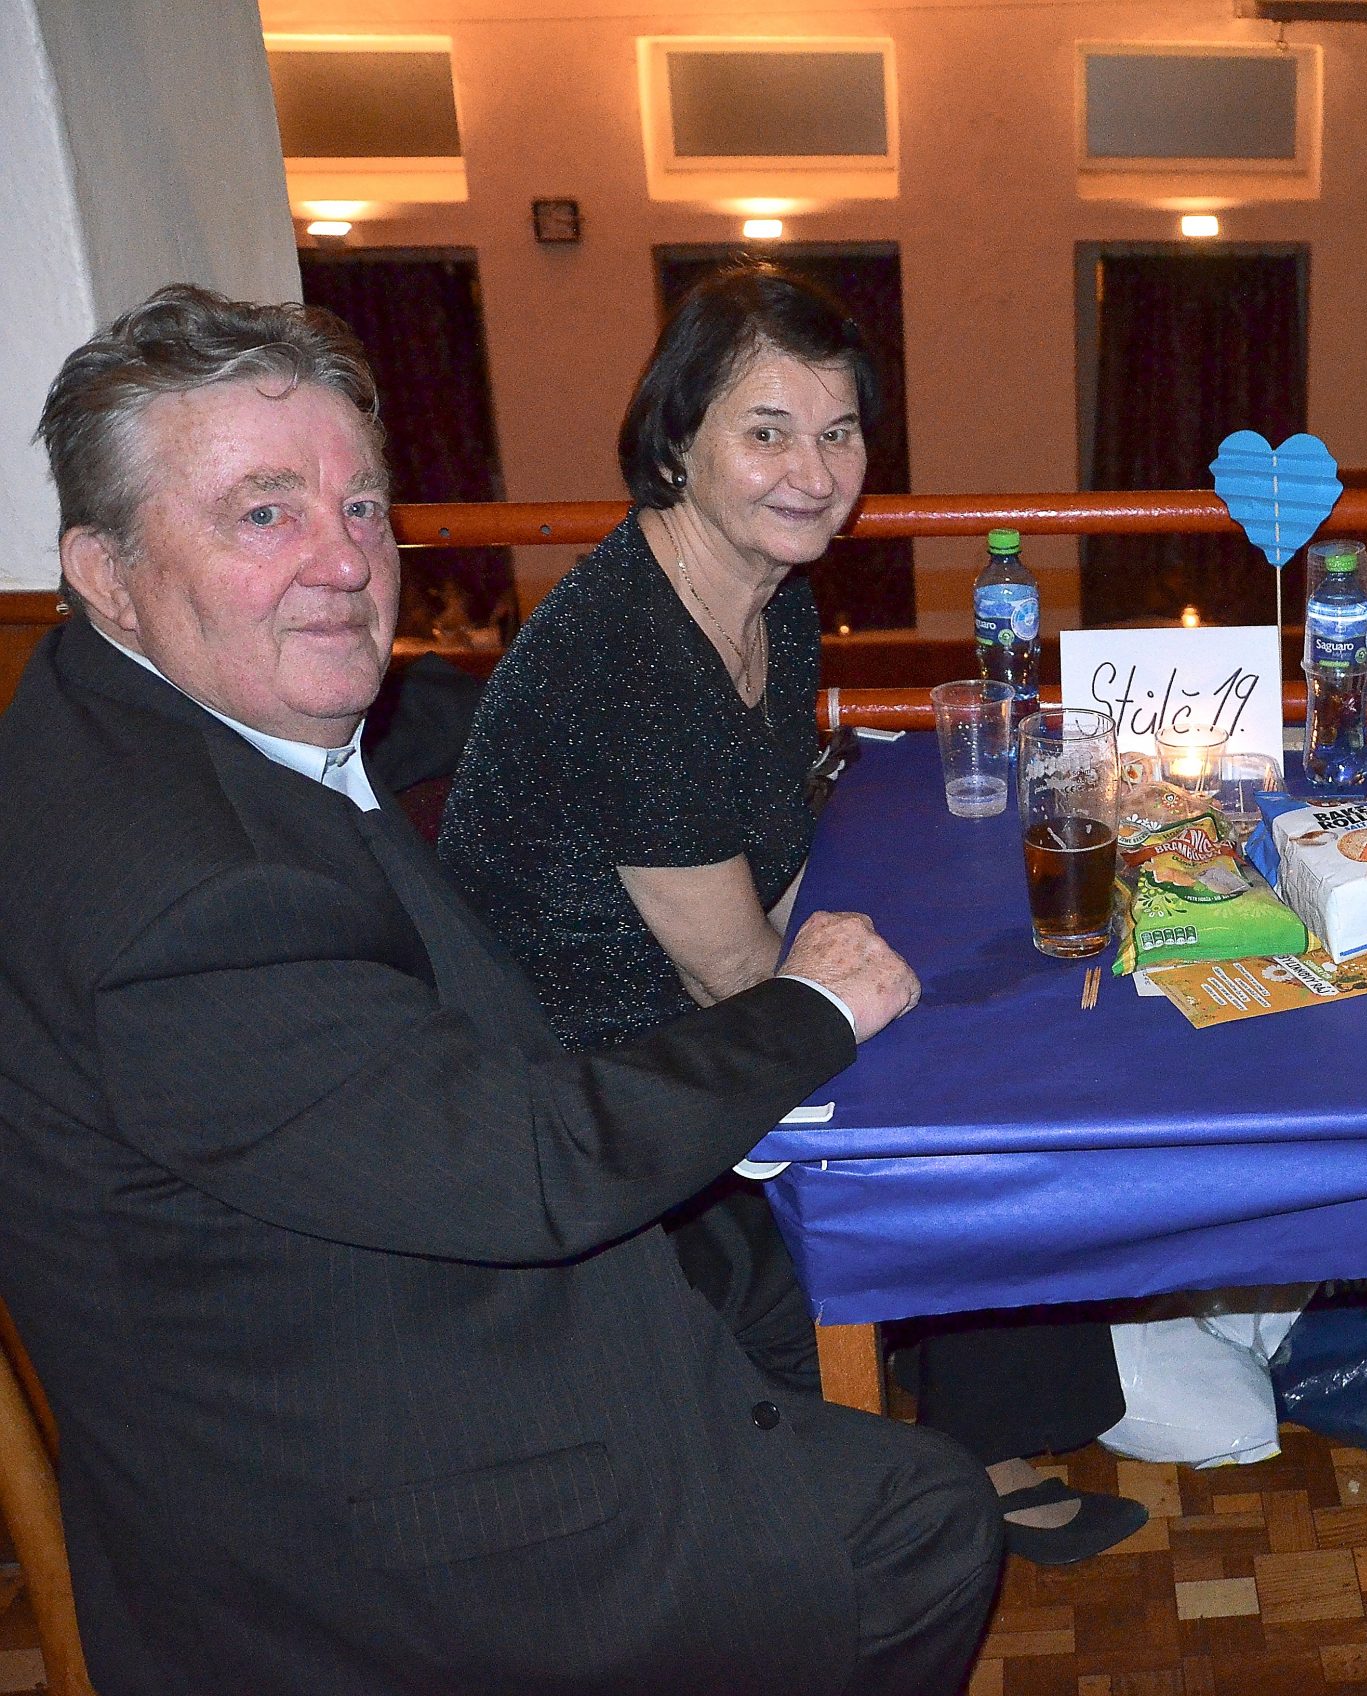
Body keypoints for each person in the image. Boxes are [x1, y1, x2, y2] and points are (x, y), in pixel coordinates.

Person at [0, 285, 1002, 1693]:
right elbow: (531, 1170)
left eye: (362, 506)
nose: (344, 561)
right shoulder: (187, 894)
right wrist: (815, 1007)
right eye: (263, 514)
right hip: (355, 1517)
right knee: (923, 1526)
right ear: (102, 571)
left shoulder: (144, 728)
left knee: (771, 1288)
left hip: (364, 1283)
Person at [437, 261, 1144, 1564]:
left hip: (682, 1036)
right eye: (766, 432)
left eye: (839, 431)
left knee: (993, 1002)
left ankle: (983, 1414)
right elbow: (738, 985)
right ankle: (950, 1448)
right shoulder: (631, 660)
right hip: (598, 1108)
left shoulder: (776, 603)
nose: (813, 473)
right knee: (976, 1075)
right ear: (676, 443)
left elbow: (774, 868)